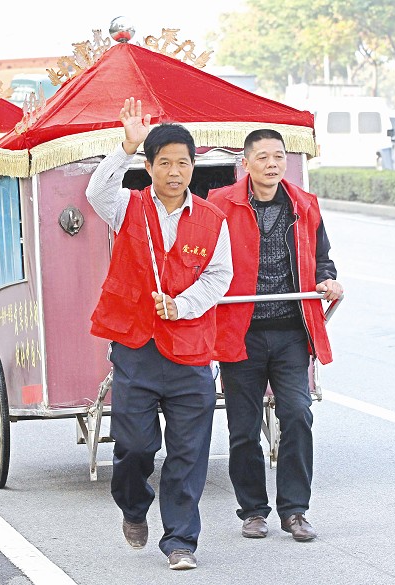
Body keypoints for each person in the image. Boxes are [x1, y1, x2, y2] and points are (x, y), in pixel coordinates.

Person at [86, 98, 233, 570]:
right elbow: (95, 191)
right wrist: (126, 146)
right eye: (164, 162)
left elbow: (219, 276)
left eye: (183, 163)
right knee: (135, 446)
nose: (174, 171)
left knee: (189, 452)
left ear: (193, 167)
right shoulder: (126, 206)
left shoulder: (212, 220)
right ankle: (133, 507)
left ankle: (180, 541)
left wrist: (181, 305)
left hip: (191, 351)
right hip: (136, 348)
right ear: (148, 167)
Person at [207, 129, 343, 542]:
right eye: (263, 157)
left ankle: (295, 511)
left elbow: (322, 259)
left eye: (278, 156)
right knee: (243, 427)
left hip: (290, 332)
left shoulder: (304, 205)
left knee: (298, 414)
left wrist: (327, 280)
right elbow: (201, 258)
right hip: (240, 332)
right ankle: (252, 510)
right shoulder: (219, 204)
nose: (272, 164)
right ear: (245, 163)